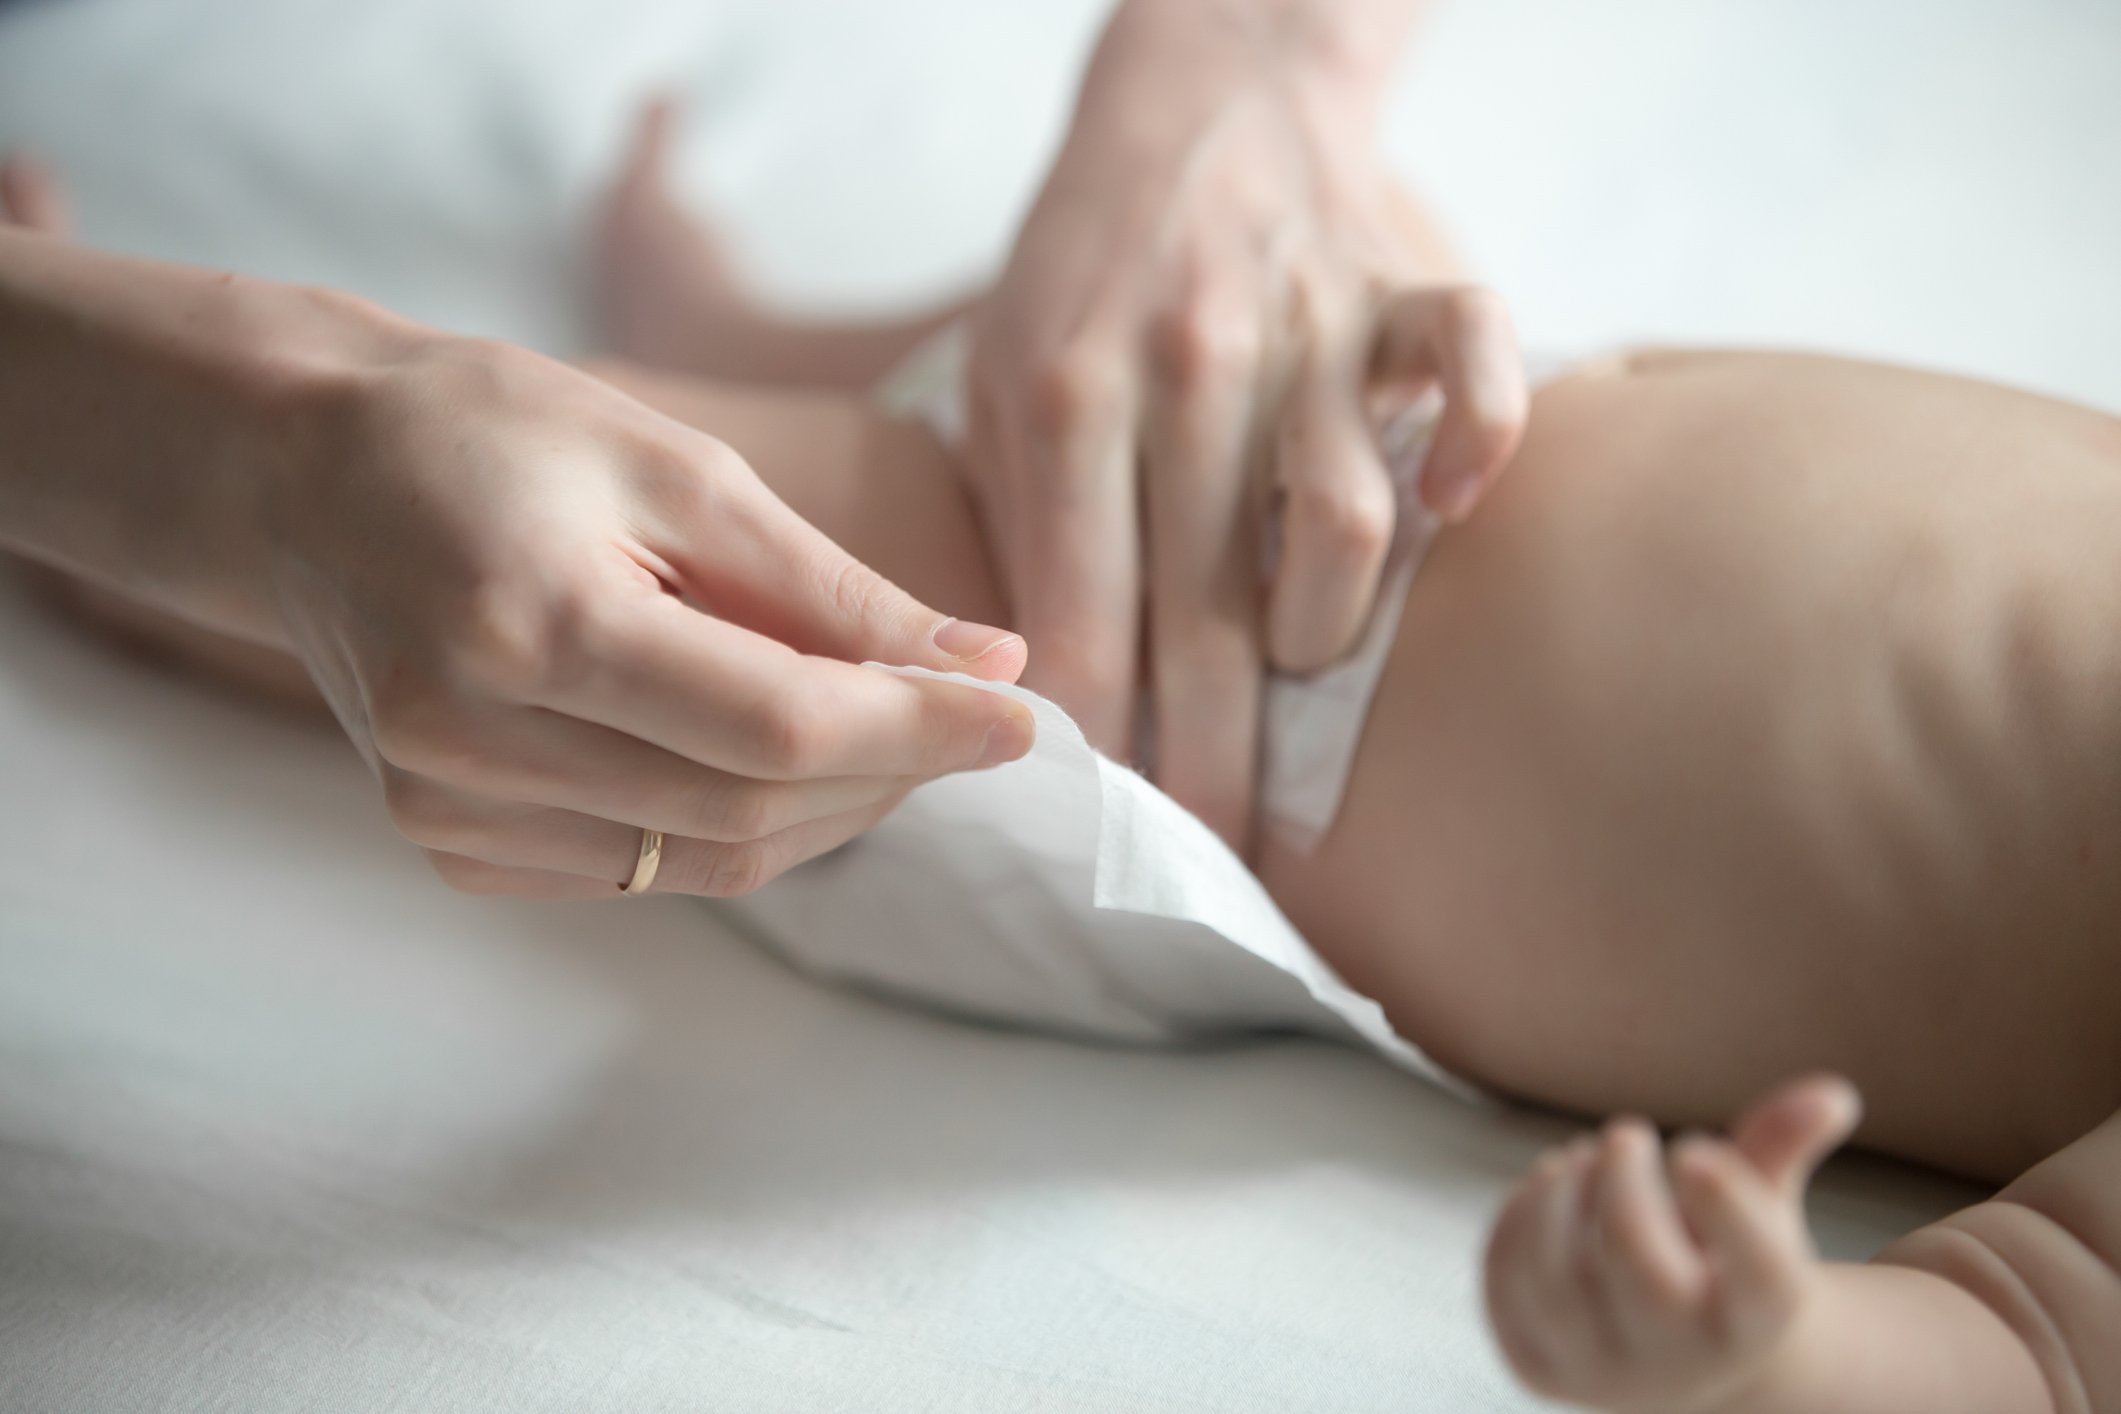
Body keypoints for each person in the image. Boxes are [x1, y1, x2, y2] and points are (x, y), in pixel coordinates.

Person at [16, 81, 2119, 1407]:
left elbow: (2035, 1331)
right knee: (1072, 362)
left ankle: (129, 511)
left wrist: (1762, 1348)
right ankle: (723, 324)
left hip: (1230, 717)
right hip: (1460, 395)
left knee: (646, 542)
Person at [0, 0, 1466, 894]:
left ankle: (725, 353)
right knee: (1015, 454)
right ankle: (731, 344)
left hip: (1358, 640)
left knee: (756, 567)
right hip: (1439, 451)